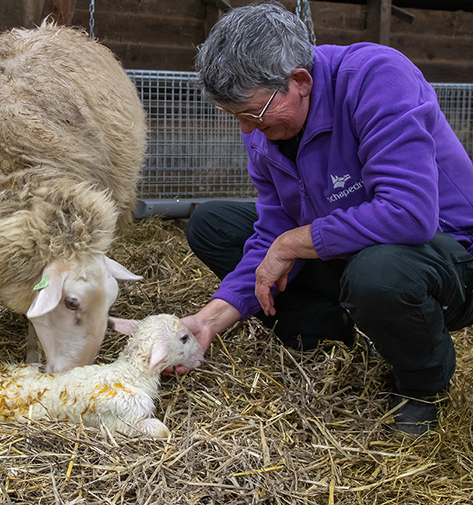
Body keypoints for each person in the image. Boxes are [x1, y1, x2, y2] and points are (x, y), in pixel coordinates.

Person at [180, 0, 473, 437]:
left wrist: (292, 244)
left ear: (299, 81)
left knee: (380, 272)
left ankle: (421, 385)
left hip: (446, 255)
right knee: (214, 224)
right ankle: (332, 332)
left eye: (252, 114)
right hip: (355, 251)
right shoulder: (267, 130)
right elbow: (272, 231)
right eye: (234, 117)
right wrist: (209, 318)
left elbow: (410, 213)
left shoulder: (375, 77)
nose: (245, 131)